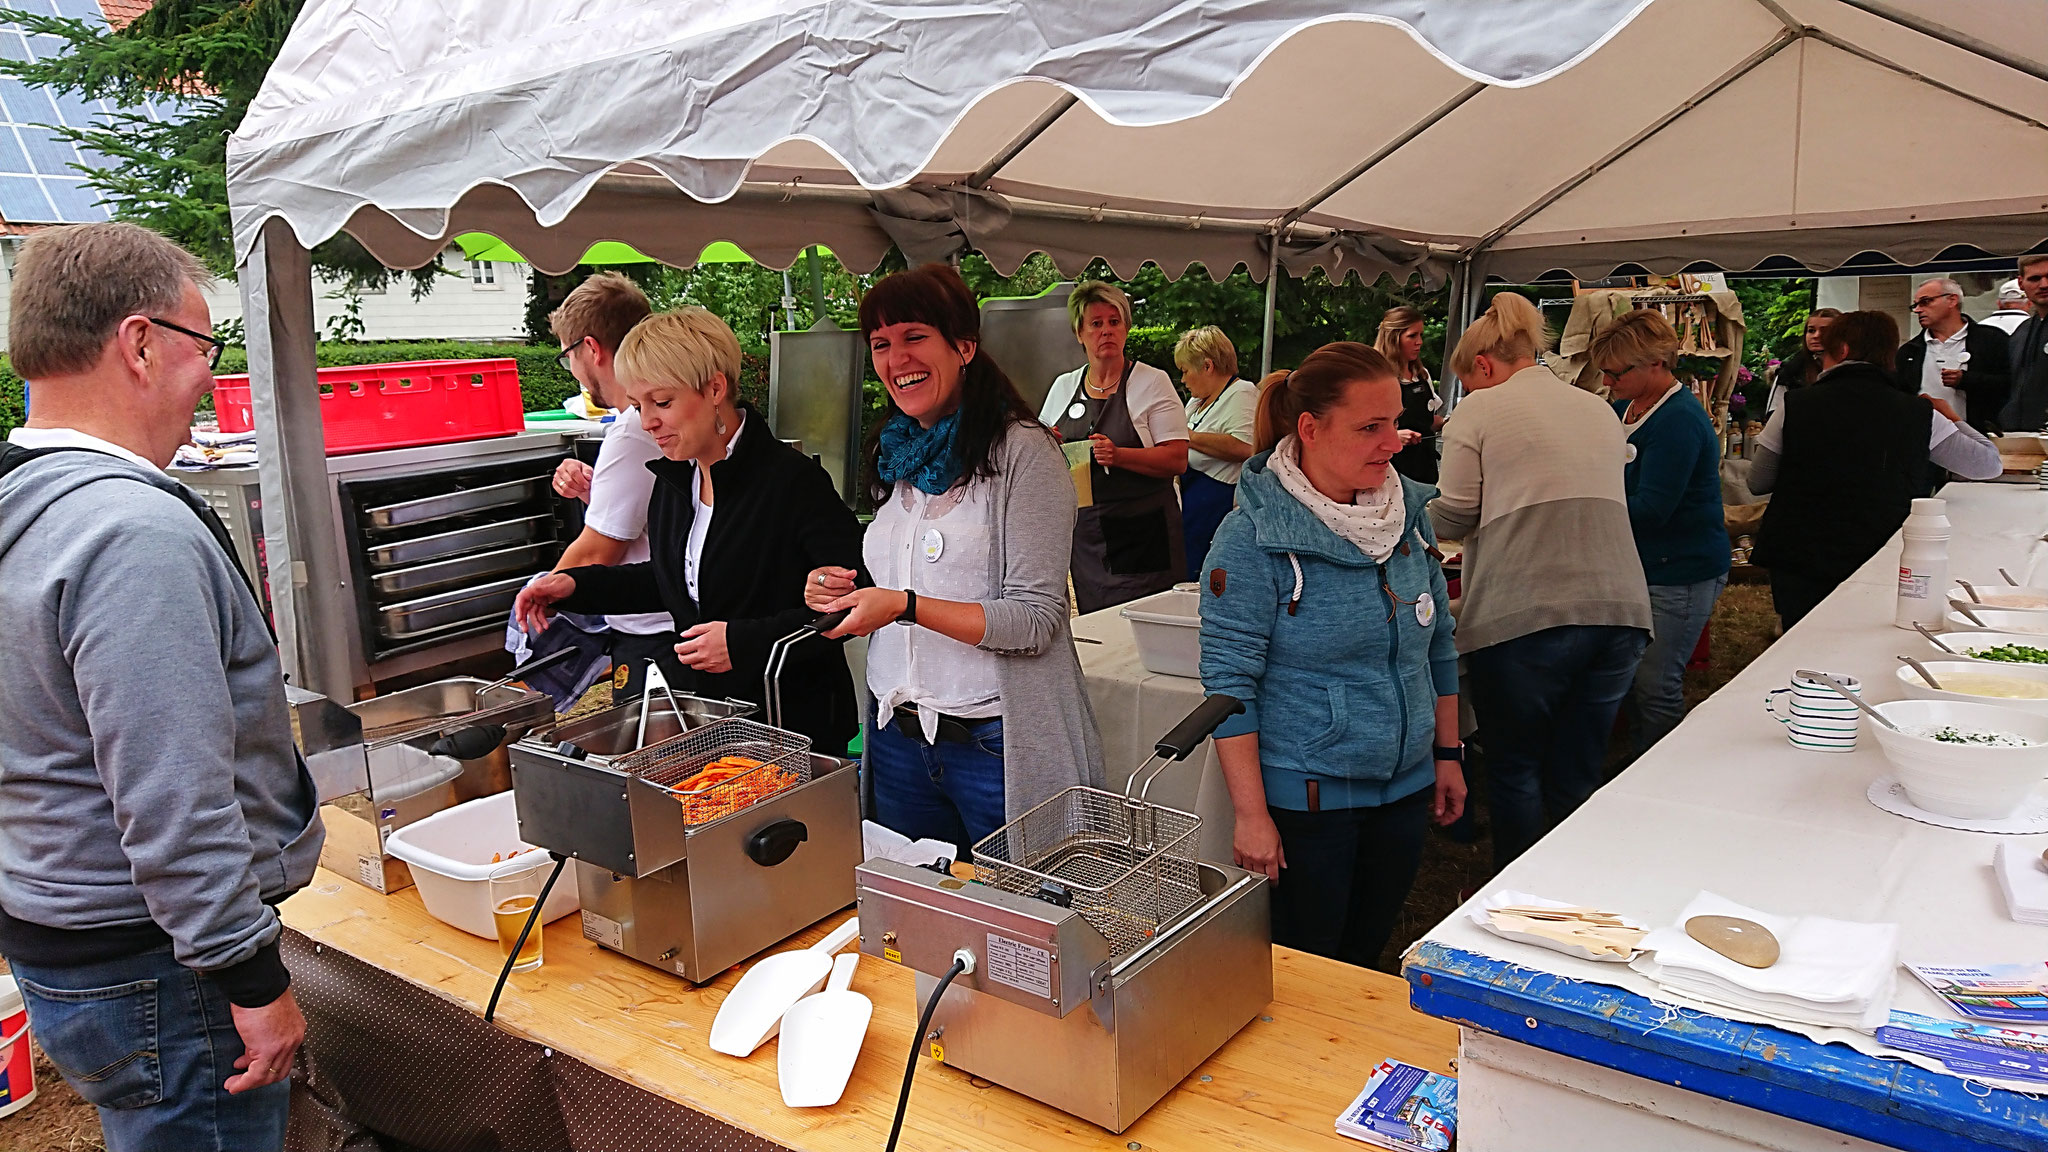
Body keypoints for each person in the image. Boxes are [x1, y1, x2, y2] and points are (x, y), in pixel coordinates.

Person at [0, 222, 320, 1151]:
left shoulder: (23, 499)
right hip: (162, 968)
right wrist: (252, 983)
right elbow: (174, 798)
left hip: (64, 935)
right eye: (204, 348)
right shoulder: (129, 533)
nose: (209, 381)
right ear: (140, 344)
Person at [803, 265, 1104, 857]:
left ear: (963, 346)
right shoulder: (894, 451)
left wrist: (903, 606)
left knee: (1020, 928)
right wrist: (845, 589)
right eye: (881, 344)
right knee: (914, 929)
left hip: (995, 745)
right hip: (896, 741)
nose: (896, 359)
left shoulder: (1025, 453)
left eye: (915, 337)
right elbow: (908, 576)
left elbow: (1035, 620)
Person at [1199, 342, 1465, 971]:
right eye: (1369, 427)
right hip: (1310, 802)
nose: (1393, 441)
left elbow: (1439, 644)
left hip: (1404, 790)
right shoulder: (1252, 538)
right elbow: (1229, 686)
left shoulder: (1408, 517)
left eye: (1394, 422)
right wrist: (1252, 816)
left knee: (1365, 954)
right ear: (1310, 430)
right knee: (1307, 969)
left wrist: (1447, 753)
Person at [514, 307, 866, 752]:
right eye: (640, 405)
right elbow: (670, 583)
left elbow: (854, 604)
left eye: (662, 402)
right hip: (711, 719)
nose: (647, 422)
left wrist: (742, 643)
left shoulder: (793, 482)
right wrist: (574, 586)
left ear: (715, 388)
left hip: (795, 728)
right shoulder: (675, 480)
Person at [1429, 293, 1650, 872]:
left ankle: (1517, 896)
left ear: (1483, 367)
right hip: (1620, 607)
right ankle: (1569, 886)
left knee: (1515, 765)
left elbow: (1454, 514)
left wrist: (1400, 512)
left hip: (1525, 609)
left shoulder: (1478, 412)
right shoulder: (1599, 408)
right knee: (1578, 766)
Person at [1750, 311, 2001, 629]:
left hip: (1801, 554)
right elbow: (1987, 465)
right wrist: (1953, 417)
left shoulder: (1794, 405)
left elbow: (1758, 481)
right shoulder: (1918, 413)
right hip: (1883, 550)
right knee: (1869, 634)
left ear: (1841, 351)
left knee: (1800, 639)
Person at [1590, 311, 1730, 758]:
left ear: (1655, 364)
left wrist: (1585, 513)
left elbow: (1651, 510)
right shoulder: (1623, 409)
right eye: (1605, 372)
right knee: (1630, 677)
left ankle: (1665, 771)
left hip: (1680, 571)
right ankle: (1637, 763)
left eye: (1616, 372)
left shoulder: (1678, 421)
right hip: (1642, 565)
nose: (1608, 381)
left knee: (1656, 683)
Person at [541, 271, 676, 702]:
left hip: (655, 634)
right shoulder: (652, 423)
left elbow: (598, 555)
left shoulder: (634, 432)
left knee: (654, 767)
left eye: (568, 356)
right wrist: (593, 492)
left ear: (590, 348)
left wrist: (538, 600)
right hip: (673, 625)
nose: (574, 372)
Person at [1038, 281, 1190, 613]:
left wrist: (1118, 456)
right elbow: (1039, 451)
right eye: (1096, 323)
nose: (1106, 331)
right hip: (1088, 537)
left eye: (1114, 321)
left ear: (1125, 328)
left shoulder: (1152, 382)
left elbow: (1177, 458)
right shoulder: (1064, 387)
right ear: (1080, 333)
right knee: (1099, 627)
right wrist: (1049, 445)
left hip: (1144, 532)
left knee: (1145, 624)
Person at [1174, 325, 1257, 580]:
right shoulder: (1197, 402)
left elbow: (1246, 447)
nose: (1184, 380)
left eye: (1186, 371)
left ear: (1207, 366)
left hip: (1216, 506)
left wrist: (1188, 437)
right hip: (1191, 502)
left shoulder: (1242, 393)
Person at [1896, 277, 2009, 435]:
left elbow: (2009, 385)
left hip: (1977, 436)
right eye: (1915, 305)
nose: (1917, 310)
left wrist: (1966, 380)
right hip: (1925, 438)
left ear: (1952, 300)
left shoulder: (1991, 340)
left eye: (1925, 302)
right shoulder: (1909, 351)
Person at [1376, 306, 1442, 483]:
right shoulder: (1377, 378)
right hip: (1392, 471)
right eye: (1412, 336)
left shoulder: (1422, 374)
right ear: (1393, 338)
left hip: (1425, 469)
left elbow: (1429, 419)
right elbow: (1364, 428)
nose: (1419, 342)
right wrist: (1394, 436)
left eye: (1421, 335)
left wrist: (1450, 423)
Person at [2000, 254, 2048, 432]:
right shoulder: (2022, 332)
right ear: (2021, 283)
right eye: (2035, 278)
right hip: (2021, 438)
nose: (2044, 285)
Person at [1765, 308, 1841, 419]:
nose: (1816, 335)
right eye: (1811, 330)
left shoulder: (1853, 369)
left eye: (1825, 331)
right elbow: (1773, 414)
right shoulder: (1790, 372)